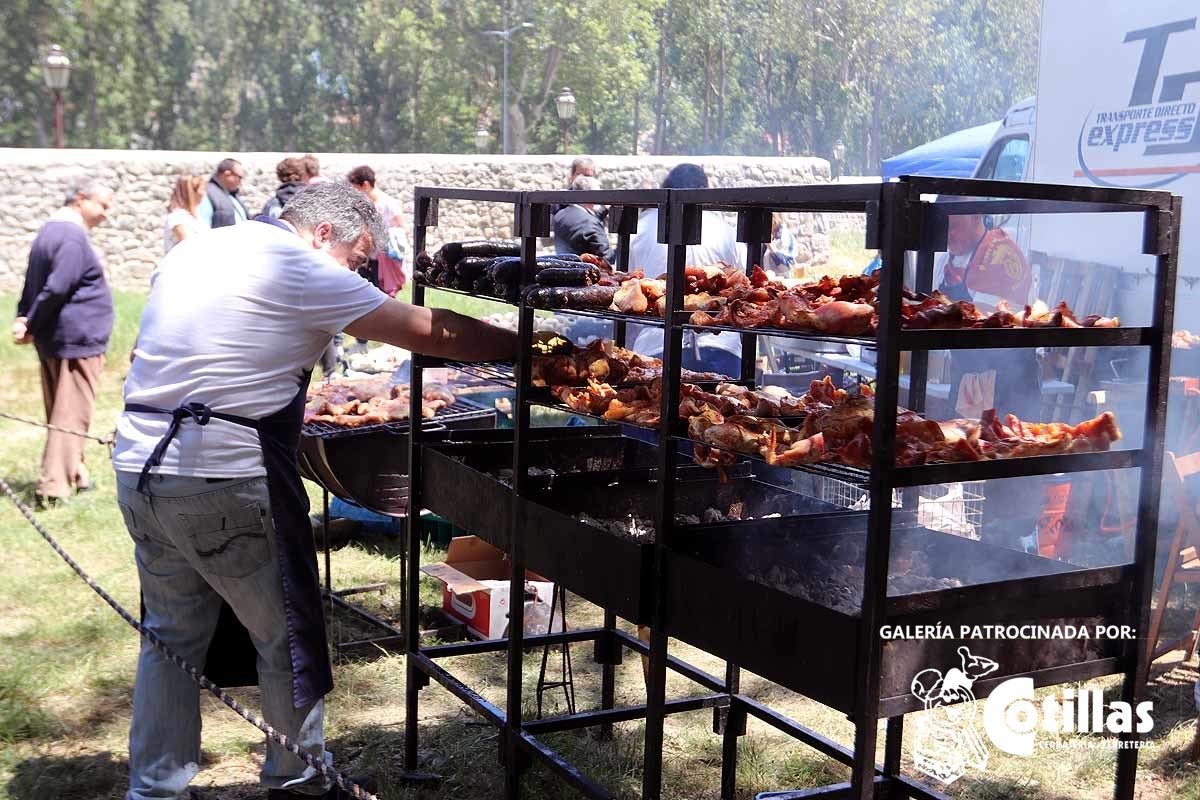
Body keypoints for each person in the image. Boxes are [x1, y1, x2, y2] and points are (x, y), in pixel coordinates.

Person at [112, 181, 517, 800]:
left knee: (170, 636)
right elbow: (430, 333)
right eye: (357, 261)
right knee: (285, 637)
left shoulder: (200, 248)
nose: (358, 276)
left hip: (141, 467)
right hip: (226, 476)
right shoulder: (296, 265)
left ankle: (154, 788)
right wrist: (527, 346)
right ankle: (298, 777)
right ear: (323, 233)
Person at [14, 177, 115, 508]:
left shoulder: (49, 231)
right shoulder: (71, 235)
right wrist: (31, 321)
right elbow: (57, 287)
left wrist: (27, 318)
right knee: (71, 414)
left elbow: (33, 282)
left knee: (63, 409)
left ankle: (76, 473)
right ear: (81, 199)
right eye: (103, 205)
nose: (107, 215)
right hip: (76, 338)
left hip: (59, 335)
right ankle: (54, 486)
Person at [629, 163, 744, 377]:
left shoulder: (642, 228)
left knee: (655, 409)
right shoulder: (724, 229)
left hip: (658, 345)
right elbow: (740, 283)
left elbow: (627, 287)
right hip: (720, 346)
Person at [347, 165, 408, 296]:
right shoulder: (362, 204)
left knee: (383, 297)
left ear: (365, 185)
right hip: (366, 259)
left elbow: (402, 228)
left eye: (356, 189)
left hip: (384, 258)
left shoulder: (389, 204)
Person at [551, 175, 616, 263]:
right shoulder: (590, 223)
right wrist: (620, 248)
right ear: (593, 196)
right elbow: (606, 258)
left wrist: (603, 210)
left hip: (563, 268)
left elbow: (580, 224)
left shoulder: (561, 214)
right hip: (583, 273)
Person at [197, 158, 248, 228]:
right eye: (239, 177)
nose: (240, 181)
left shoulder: (232, 196)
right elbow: (202, 226)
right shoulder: (207, 194)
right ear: (227, 174)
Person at [163, 175, 205, 254]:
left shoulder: (194, 216)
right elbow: (187, 245)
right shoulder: (177, 218)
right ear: (191, 193)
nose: (204, 194)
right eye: (202, 189)